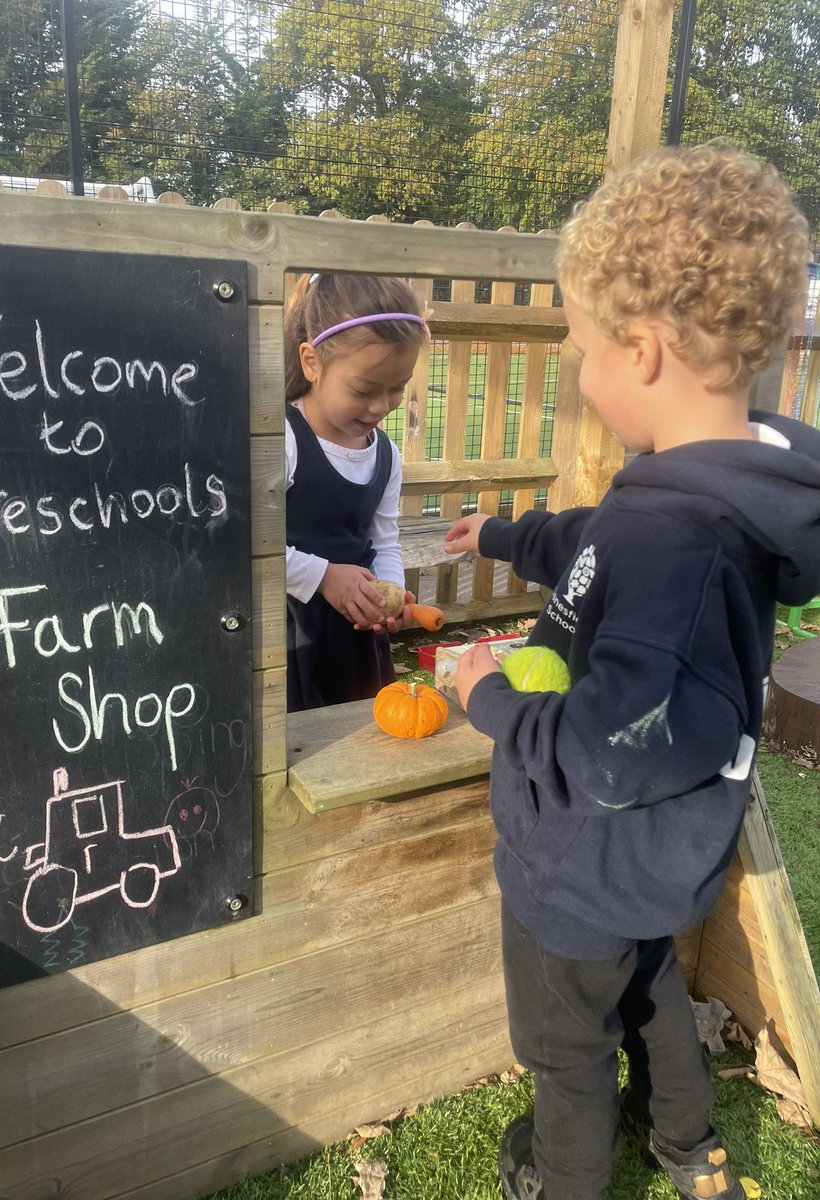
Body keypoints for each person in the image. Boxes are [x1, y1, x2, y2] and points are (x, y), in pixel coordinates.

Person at [444, 143, 820, 1200]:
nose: (579, 369)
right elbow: (601, 545)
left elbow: (609, 750)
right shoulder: (705, 488)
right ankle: (685, 1145)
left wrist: (489, 698)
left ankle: (564, 1180)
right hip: (654, 865)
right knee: (649, 985)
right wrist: (507, 539)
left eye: (579, 346)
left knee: (567, 1045)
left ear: (643, 349)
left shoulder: (679, 539)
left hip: (584, 858)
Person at [284, 272, 427, 711]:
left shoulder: (386, 454)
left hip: (353, 639)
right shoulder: (280, 439)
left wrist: (392, 593)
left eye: (397, 390)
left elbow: (383, 539)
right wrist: (323, 576)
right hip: (288, 637)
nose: (382, 406)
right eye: (364, 390)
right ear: (312, 362)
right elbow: (239, 545)